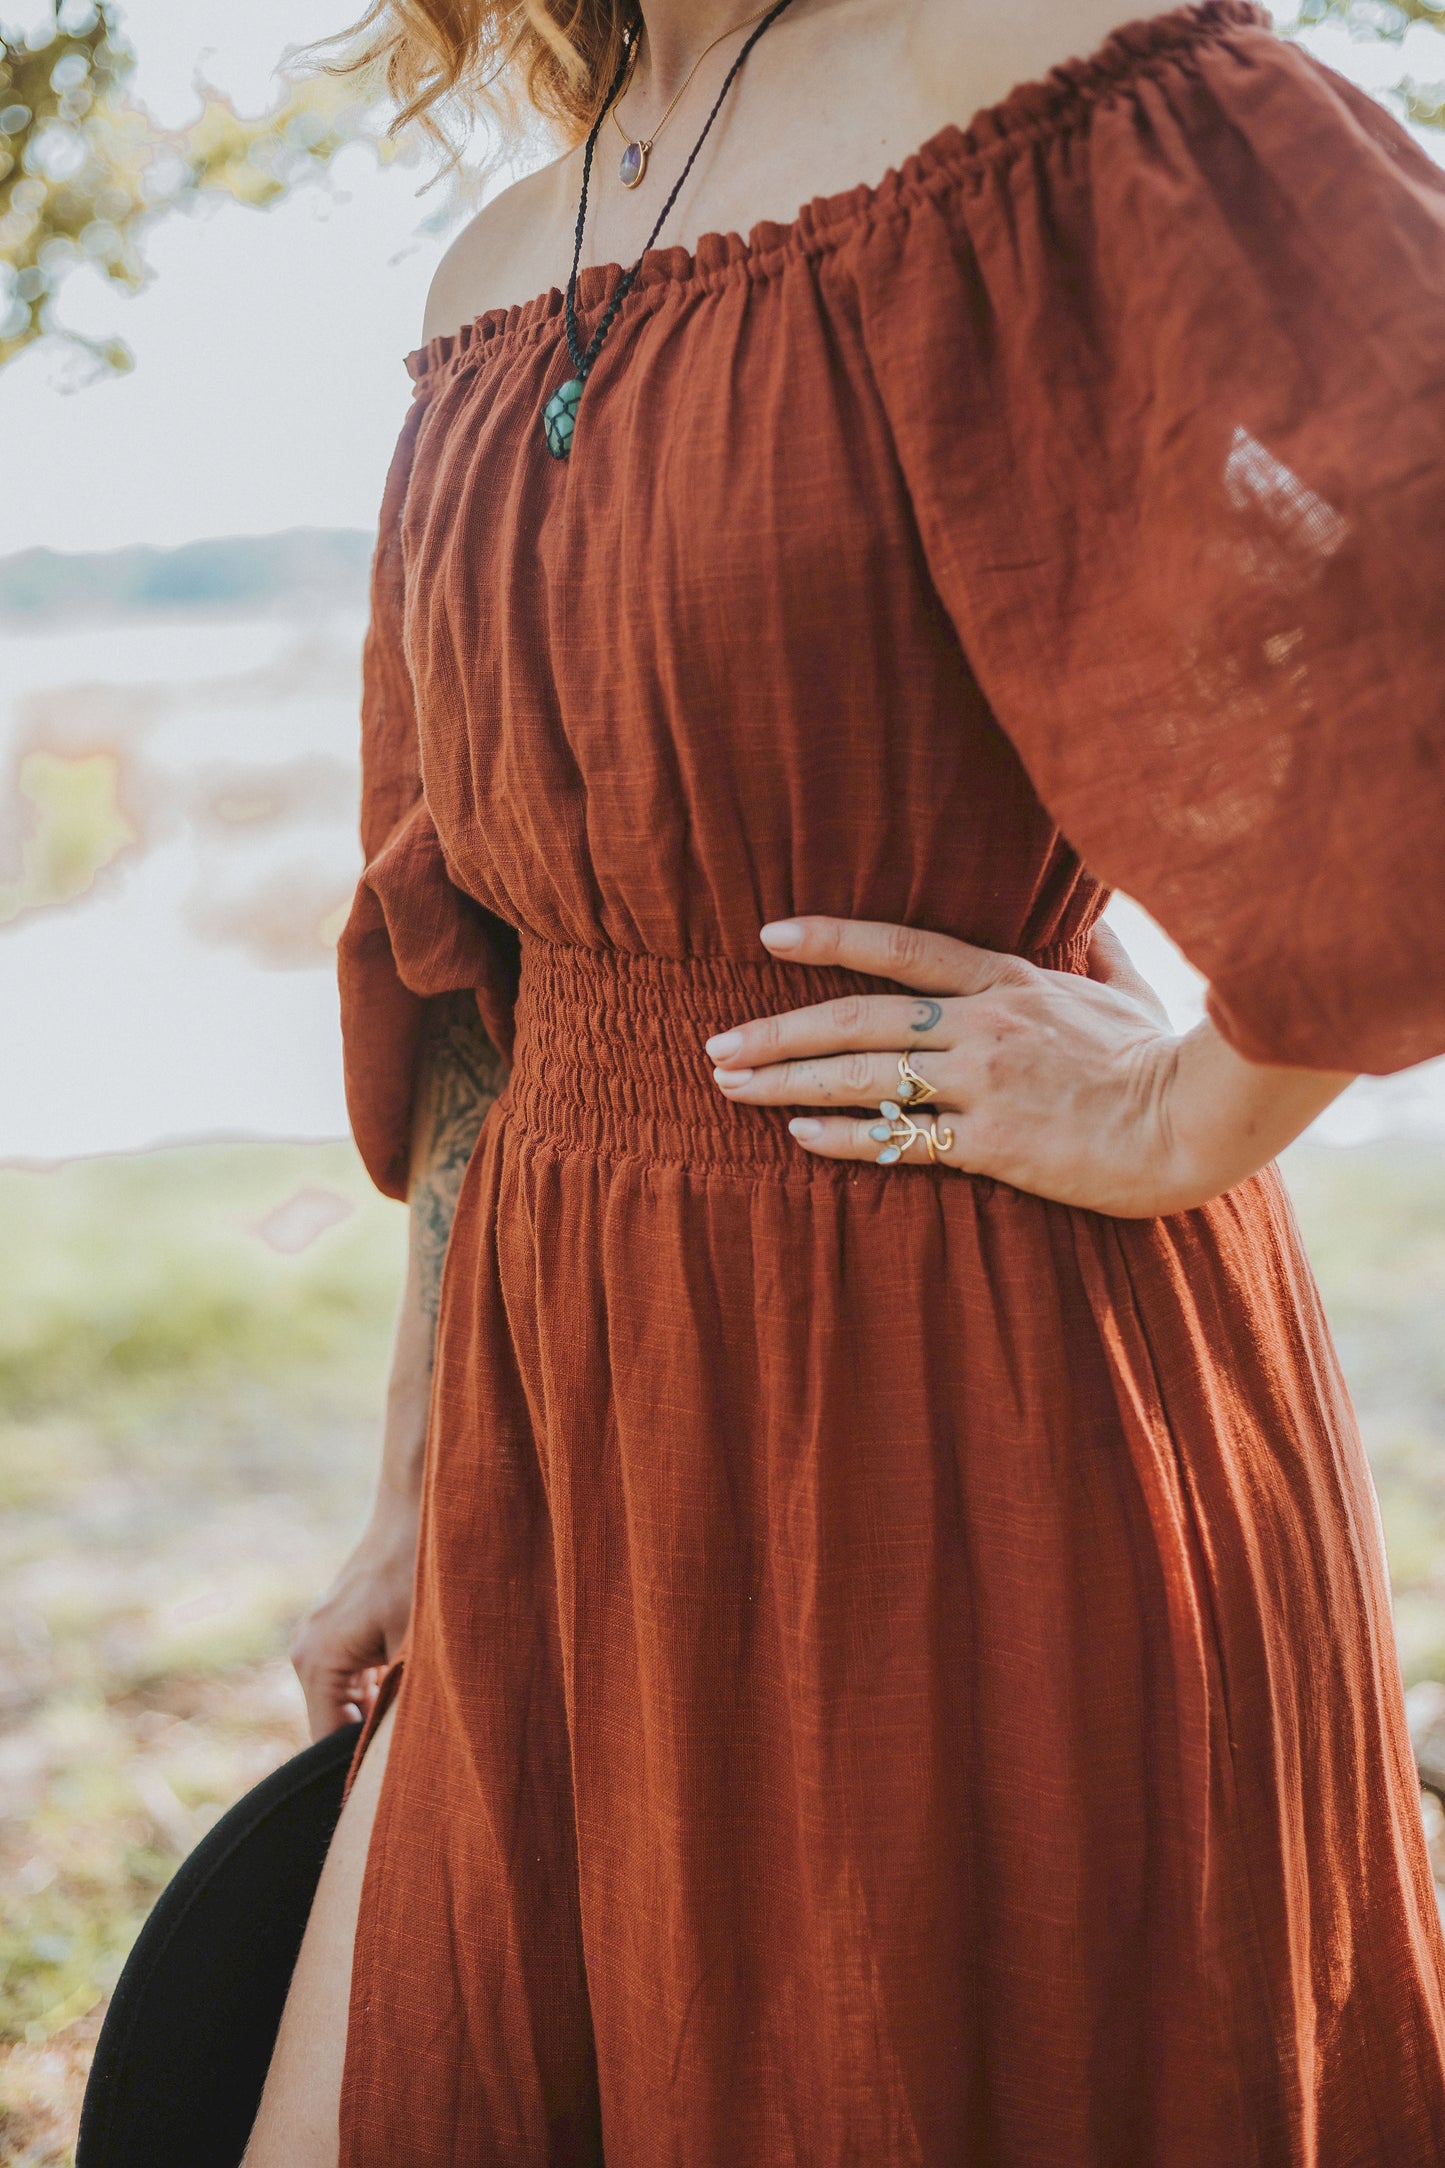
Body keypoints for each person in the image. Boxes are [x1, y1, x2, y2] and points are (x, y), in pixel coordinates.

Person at [240, 0, 1445, 2159]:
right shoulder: (495, 261)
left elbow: (1406, 587)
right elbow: (464, 960)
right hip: (566, 1416)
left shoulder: (1036, 75)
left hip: (966, 1377)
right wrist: (415, 1483)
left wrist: (1194, 1099)